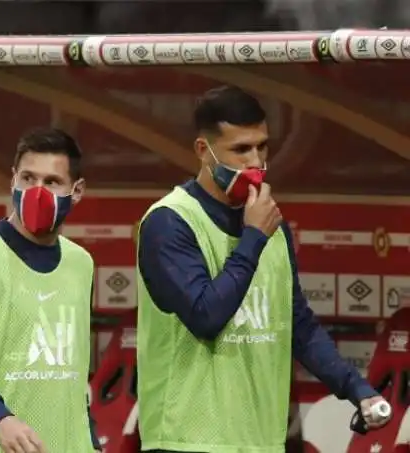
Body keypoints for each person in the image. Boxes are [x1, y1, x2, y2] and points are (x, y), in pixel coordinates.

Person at [135, 85, 389, 453]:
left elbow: (297, 322)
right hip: (188, 441)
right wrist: (252, 237)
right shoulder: (169, 222)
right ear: (204, 152)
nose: (255, 162)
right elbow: (206, 316)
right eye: (240, 149)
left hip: (261, 441)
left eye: (262, 146)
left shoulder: (270, 224)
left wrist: (356, 388)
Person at [0, 128, 102, 453]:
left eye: (52, 182)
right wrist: (0, 419)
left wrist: (91, 440)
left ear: (76, 190)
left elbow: (75, 368)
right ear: (13, 180)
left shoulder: (82, 264)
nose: (37, 191)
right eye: (28, 178)